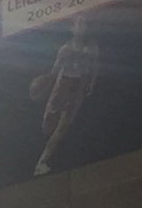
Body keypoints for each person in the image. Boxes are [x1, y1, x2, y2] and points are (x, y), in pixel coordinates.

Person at [33, 14, 99, 176]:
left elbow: (94, 67)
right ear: (72, 28)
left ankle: (43, 160)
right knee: (48, 124)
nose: (82, 27)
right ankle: (38, 151)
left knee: (63, 126)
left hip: (78, 87)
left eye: (84, 24)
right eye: (79, 24)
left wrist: (91, 84)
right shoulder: (66, 49)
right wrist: (42, 85)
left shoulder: (92, 47)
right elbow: (55, 71)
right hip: (63, 85)